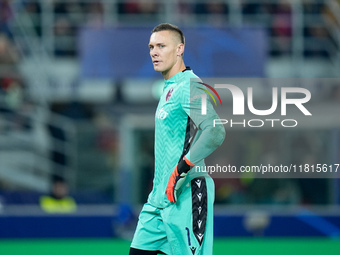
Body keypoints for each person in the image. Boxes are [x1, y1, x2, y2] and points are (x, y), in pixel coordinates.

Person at [129, 23, 225, 255]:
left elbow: (215, 130)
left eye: (162, 46)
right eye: (151, 46)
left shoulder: (189, 85)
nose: (154, 52)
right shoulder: (169, 87)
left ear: (180, 49)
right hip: (159, 199)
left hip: (187, 194)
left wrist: (182, 169)